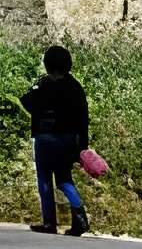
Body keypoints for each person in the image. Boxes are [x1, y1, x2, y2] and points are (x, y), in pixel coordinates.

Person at [19, 45, 91, 236]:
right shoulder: (75, 87)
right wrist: (83, 146)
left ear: (47, 64)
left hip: (45, 138)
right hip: (68, 140)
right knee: (64, 179)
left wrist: (39, 111)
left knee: (44, 179)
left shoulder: (43, 84)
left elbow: (25, 99)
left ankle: (49, 222)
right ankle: (80, 217)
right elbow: (84, 118)